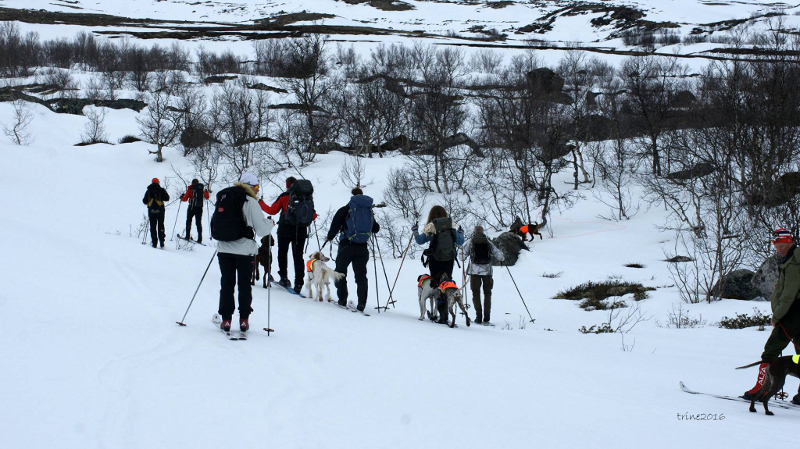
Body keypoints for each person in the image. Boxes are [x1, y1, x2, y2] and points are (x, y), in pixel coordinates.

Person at [744, 228, 800, 404]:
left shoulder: (794, 263)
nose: (779, 249)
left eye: (782, 245)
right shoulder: (790, 258)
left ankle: (760, 391)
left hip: (792, 313)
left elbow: (789, 294)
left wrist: (777, 316)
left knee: (771, 350)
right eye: (777, 246)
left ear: (790, 242)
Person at [215, 172, 274, 332]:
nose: (257, 191)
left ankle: (226, 319)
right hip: (245, 251)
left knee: (226, 284)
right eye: (256, 187)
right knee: (244, 285)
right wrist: (270, 223)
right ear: (251, 187)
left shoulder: (225, 198)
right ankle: (243, 320)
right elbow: (261, 230)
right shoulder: (251, 202)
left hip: (224, 248)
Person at [325, 188, 380, 312]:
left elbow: (335, 225)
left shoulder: (345, 210)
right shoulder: (367, 211)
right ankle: (362, 303)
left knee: (340, 272)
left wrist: (329, 237)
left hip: (346, 245)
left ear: (352, 196)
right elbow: (375, 228)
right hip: (362, 247)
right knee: (361, 276)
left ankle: (342, 299)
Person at [259, 176, 315, 293]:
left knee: (282, 253)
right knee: (298, 256)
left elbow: (272, 211)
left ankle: (284, 277)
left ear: (287, 185)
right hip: (300, 231)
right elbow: (313, 215)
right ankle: (299, 283)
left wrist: (260, 203)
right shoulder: (307, 197)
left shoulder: (285, 196)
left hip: (285, 229)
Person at [412, 205, 465, 324]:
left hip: (435, 260)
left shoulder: (431, 226)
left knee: (437, 286)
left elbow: (420, 240)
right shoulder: (451, 226)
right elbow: (460, 241)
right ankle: (445, 314)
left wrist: (415, 231)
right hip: (449, 260)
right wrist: (461, 233)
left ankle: (437, 313)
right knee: (446, 285)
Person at [462, 225, 505, 325]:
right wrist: (502, 258)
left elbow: (461, 256)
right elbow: (499, 255)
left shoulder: (470, 242)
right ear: (482, 231)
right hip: (487, 272)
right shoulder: (488, 242)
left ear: (474, 232)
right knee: (487, 293)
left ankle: (478, 317)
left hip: (474, 272)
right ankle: (487, 317)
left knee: (476, 294)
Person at [142, 178, 170, 248]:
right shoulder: (162, 190)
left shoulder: (148, 191)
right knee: (161, 225)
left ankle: (154, 242)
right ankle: (161, 241)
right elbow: (167, 198)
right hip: (160, 210)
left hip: (151, 211)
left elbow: (144, 201)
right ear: (158, 182)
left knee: (153, 226)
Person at [180, 178, 210, 243]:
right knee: (198, 223)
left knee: (188, 221)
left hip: (191, 207)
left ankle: (187, 236)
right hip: (199, 208)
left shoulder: (190, 189)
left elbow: (185, 199)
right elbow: (207, 197)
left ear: (192, 183)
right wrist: (206, 192)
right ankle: (200, 239)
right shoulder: (201, 189)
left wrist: (181, 197)